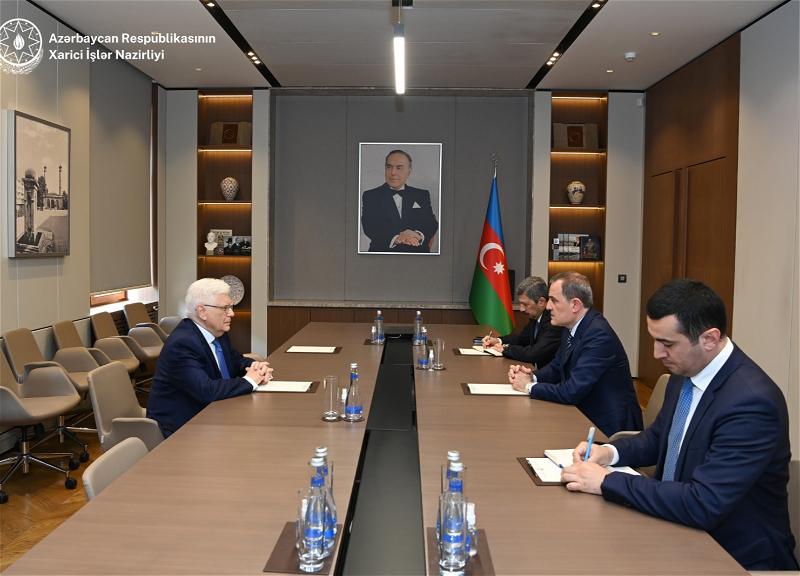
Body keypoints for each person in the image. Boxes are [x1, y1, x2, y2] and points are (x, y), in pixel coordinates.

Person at [561, 279, 798, 571]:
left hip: (732, 556)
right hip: (674, 527)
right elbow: (661, 437)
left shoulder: (752, 403)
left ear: (709, 339)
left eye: (668, 343)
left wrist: (606, 481)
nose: (657, 353)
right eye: (655, 340)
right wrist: (609, 452)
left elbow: (704, 503)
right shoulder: (687, 370)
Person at [508, 271, 642, 437]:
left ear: (575, 305)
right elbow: (556, 367)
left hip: (607, 426)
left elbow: (572, 391)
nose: (548, 306)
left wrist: (528, 386)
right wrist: (532, 376)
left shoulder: (598, 335)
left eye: (554, 300)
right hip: (583, 413)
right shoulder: (571, 326)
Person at [147, 278, 273, 437]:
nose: (232, 313)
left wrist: (256, 367)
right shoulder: (182, 344)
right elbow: (205, 390)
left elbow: (235, 361)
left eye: (231, 307)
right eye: (225, 308)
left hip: (214, 415)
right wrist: (250, 381)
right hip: (182, 427)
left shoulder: (218, 334)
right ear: (202, 311)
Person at [360, 149, 438, 253]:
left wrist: (417, 235)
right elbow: (370, 226)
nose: (393, 172)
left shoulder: (421, 195)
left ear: (409, 172)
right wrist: (396, 239)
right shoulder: (371, 196)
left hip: (417, 252)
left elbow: (430, 223)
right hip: (383, 253)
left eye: (399, 168)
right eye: (389, 167)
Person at [481, 276, 563, 368]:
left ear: (541, 302)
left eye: (525, 304)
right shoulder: (535, 316)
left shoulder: (553, 321)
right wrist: (498, 341)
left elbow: (534, 354)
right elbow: (521, 338)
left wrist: (505, 348)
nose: (521, 309)